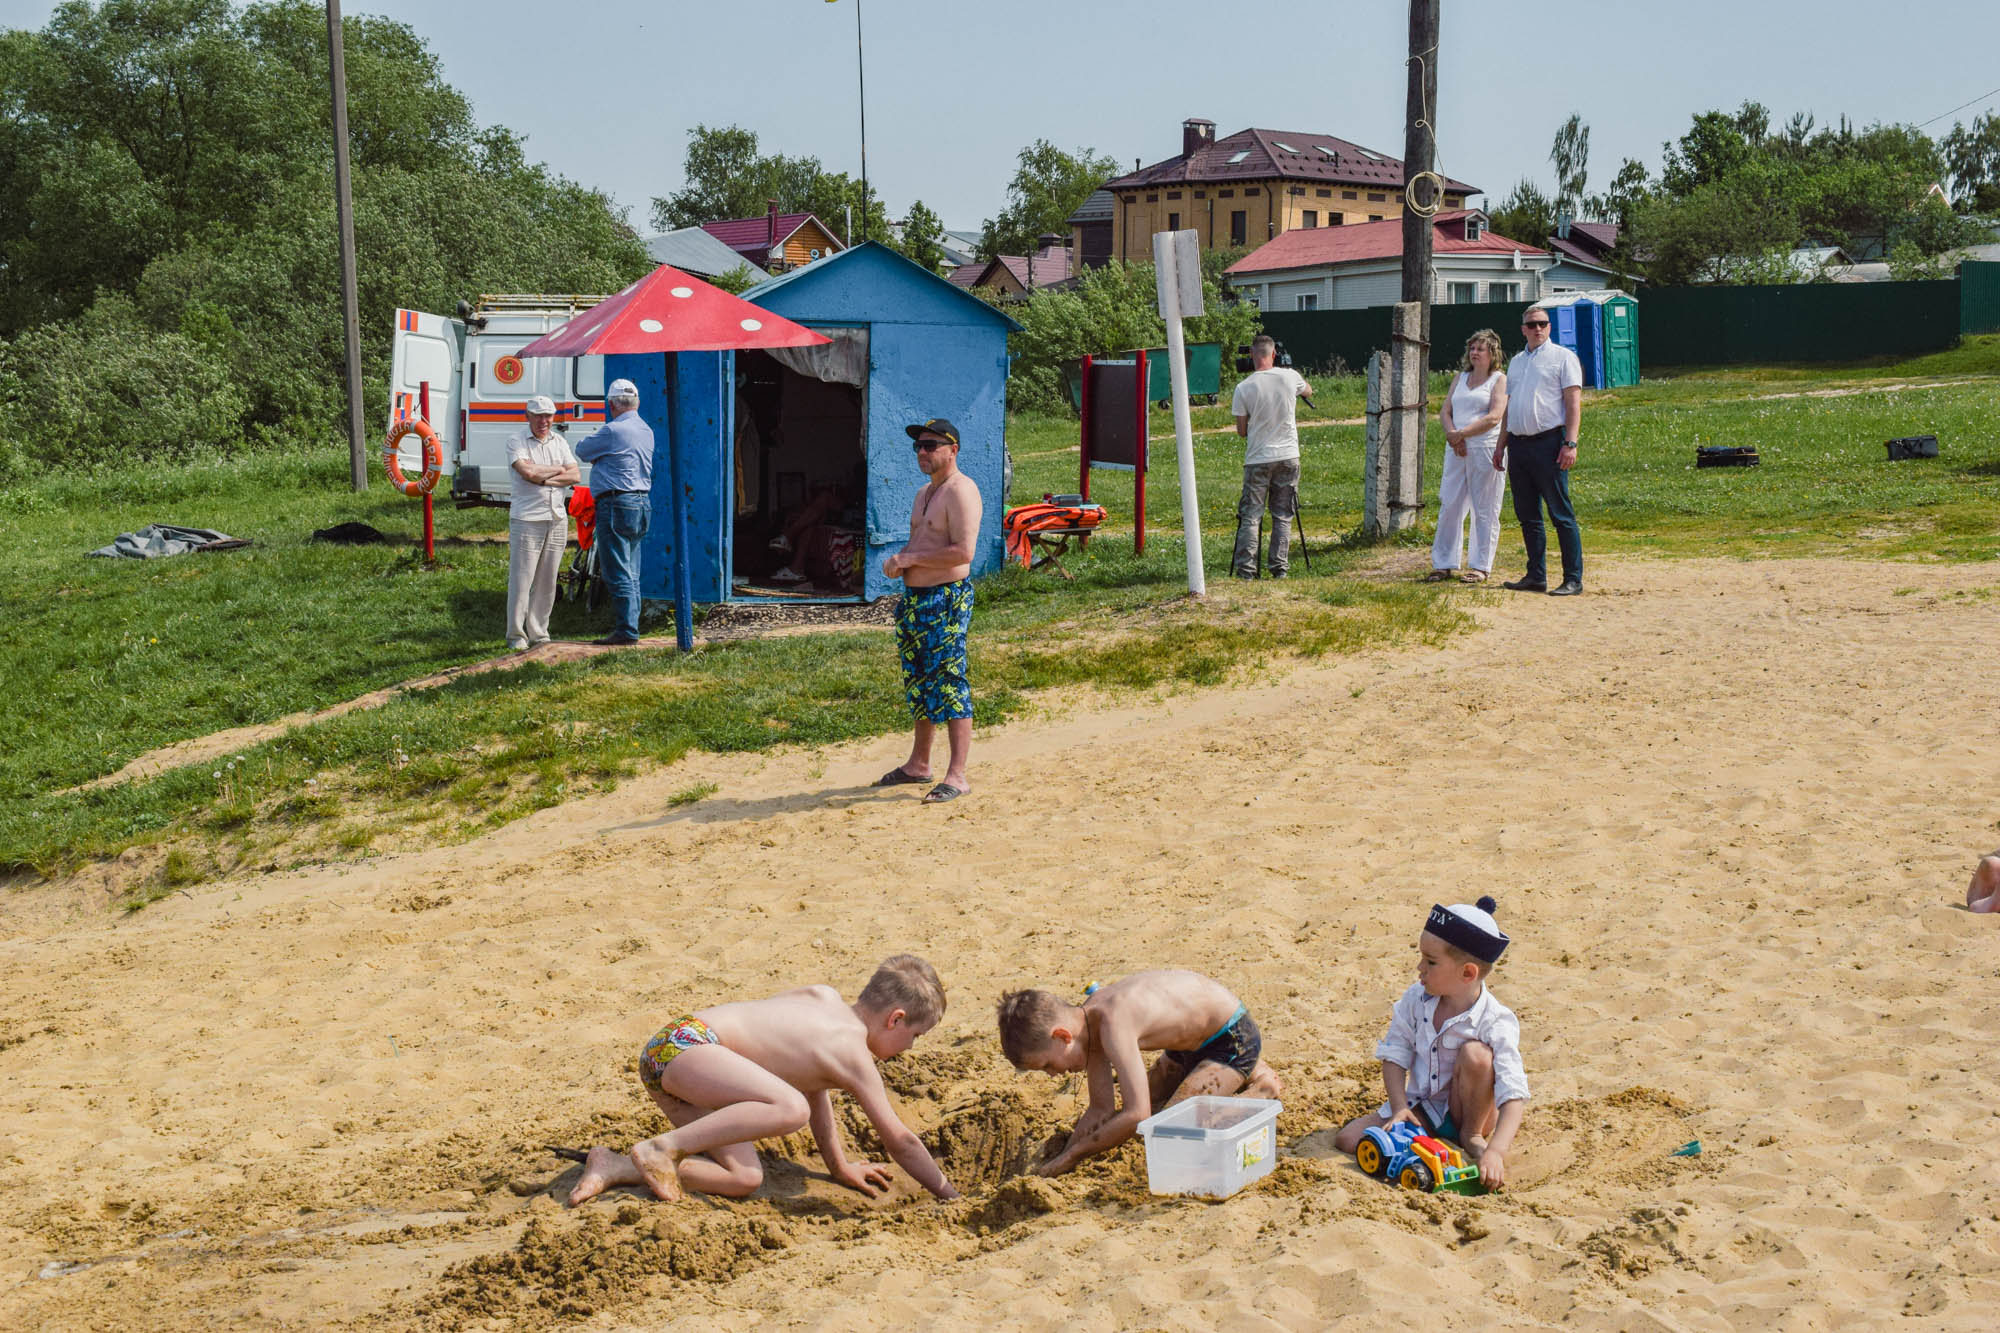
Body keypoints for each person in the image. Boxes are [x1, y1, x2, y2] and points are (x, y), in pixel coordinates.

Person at [567, 955, 962, 1205]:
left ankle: (616, 1165)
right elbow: (901, 1140)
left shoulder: (821, 996)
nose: (909, 1047)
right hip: (689, 1047)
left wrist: (839, 1166)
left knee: (744, 1178)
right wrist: (948, 1192)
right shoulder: (852, 1051)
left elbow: (815, 1084)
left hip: (679, 1059)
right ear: (895, 1018)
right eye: (914, 1036)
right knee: (791, 1108)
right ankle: (662, 1148)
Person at [996, 970, 1282, 1176]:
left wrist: (1074, 1155)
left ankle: (1261, 1083)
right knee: (1156, 1098)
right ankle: (1221, 1071)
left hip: (1230, 1037)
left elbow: (1137, 1114)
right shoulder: (1087, 1026)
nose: (1053, 1075)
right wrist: (1063, 1156)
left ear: (1062, 1036)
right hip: (1184, 1048)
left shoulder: (1112, 1024)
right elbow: (1100, 1109)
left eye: (1047, 1065)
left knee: (1171, 1132)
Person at [1332, 898, 1529, 1189]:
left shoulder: (1496, 1020)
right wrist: (1399, 1107)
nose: (1419, 967)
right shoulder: (1416, 999)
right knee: (1348, 1138)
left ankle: (1468, 1137)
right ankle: (1426, 1151)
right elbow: (1395, 1054)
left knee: (1476, 1054)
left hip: (1471, 1112)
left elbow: (1513, 1094)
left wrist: (1496, 1152)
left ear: (1467, 973)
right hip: (1423, 1107)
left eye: (1431, 961)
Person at [875, 418, 982, 805]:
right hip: (916, 601)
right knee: (919, 680)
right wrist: (903, 564)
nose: (922, 451)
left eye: (931, 445)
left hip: (946, 597)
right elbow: (924, 542)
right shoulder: (924, 492)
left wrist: (909, 558)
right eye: (918, 446)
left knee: (950, 680)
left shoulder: (961, 491)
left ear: (952, 450)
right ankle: (919, 763)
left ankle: (958, 774)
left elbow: (963, 552)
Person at [1495, 306, 1584, 596]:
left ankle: (1573, 578)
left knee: (1560, 513)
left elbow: (1573, 403)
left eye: (1543, 323)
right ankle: (1536, 576)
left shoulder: (1563, 357)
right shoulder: (1517, 362)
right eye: (1532, 324)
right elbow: (1509, 406)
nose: (1537, 329)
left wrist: (1570, 443)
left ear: (1549, 327)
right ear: (1523, 329)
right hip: (1519, 446)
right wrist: (1501, 445)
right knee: (1528, 515)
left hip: (1549, 444)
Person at [571, 377, 654, 644]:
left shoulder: (613, 431)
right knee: (632, 568)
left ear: (612, 404)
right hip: (641, 502)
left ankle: (626, 631)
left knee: (617, 569)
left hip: (616, 503)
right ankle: (631, 626)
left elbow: (582, 450)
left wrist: (601, 455)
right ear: (637, 403)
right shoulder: (645, 429)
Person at [1429, 330, 1509, 585]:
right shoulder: (1460, 378)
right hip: (1456, 449)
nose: (1474, 353)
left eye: (1480, 349)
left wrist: (1462, 434)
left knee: (1484, 508)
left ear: (1492, 353)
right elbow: (1445, 410)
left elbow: (1494, 416)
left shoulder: (1499, 380)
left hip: (1484, 448)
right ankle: (1443, 563)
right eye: (1472, 348)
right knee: (1450, 504)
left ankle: (1480, 565)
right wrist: (1453, 436)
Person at [1229, 334, 1311, 579]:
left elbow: (1242, 431)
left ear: (1252, 355)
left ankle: (1246, 571)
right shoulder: (1290, 376)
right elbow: (1308, 390)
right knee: (1283, 514)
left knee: (1251, 516)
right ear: (1274, 354)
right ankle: (1279, 568)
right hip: (1288, 456)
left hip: (1258, 458)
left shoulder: (1243, 387)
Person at [503, 395, 580, 650]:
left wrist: (544, 476)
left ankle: (539, 633)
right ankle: (516, 635)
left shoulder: (560, 441)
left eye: (548, 415)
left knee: (548, 578)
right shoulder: (516, 440)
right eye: (538, 415)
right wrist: (559, 470)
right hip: (527, 518)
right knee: (522, 578)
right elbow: (527, 472)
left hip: (556, 516)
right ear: (528, 416)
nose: (543, 421)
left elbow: (575, 474)